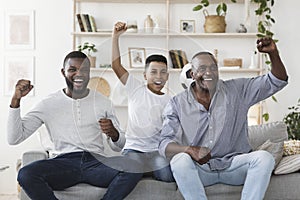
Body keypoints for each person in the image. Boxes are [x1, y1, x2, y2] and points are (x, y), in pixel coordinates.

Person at [158, 37, 288, 200]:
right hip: (201, 170)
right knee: (180, 160)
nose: (209, 73)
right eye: (202, 68)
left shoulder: (237, 90)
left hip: (234, 167)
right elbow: (164, 144)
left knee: (264, 158)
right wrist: (190, 150)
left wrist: (273, 54)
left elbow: (278, 81)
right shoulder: (177, 103)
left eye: (213, 68)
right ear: (192, 73)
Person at [7, 51, 143, 200]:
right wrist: (16, 100)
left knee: (134, 165)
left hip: (96, 163)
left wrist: (114, 133)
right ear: (63, 72)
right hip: (63, 163)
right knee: (26, 174)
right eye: (73, 69)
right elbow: (14, 138)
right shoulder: (48, 104)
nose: (79, 74)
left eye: (84, 70)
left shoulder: (103, 102)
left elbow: (119, 146)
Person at [111, 21, 174, 182]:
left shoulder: (170, 101)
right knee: (134, 170)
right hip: (134, 149)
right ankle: (138, 170)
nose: (158, 77)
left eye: (163, 73)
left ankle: (143, 171)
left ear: (167, 76)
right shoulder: (135, 88)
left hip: (156, 151)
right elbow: (116, 65)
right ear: (145, 75)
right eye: (153, 72)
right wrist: (115, 36)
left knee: (167, 176)